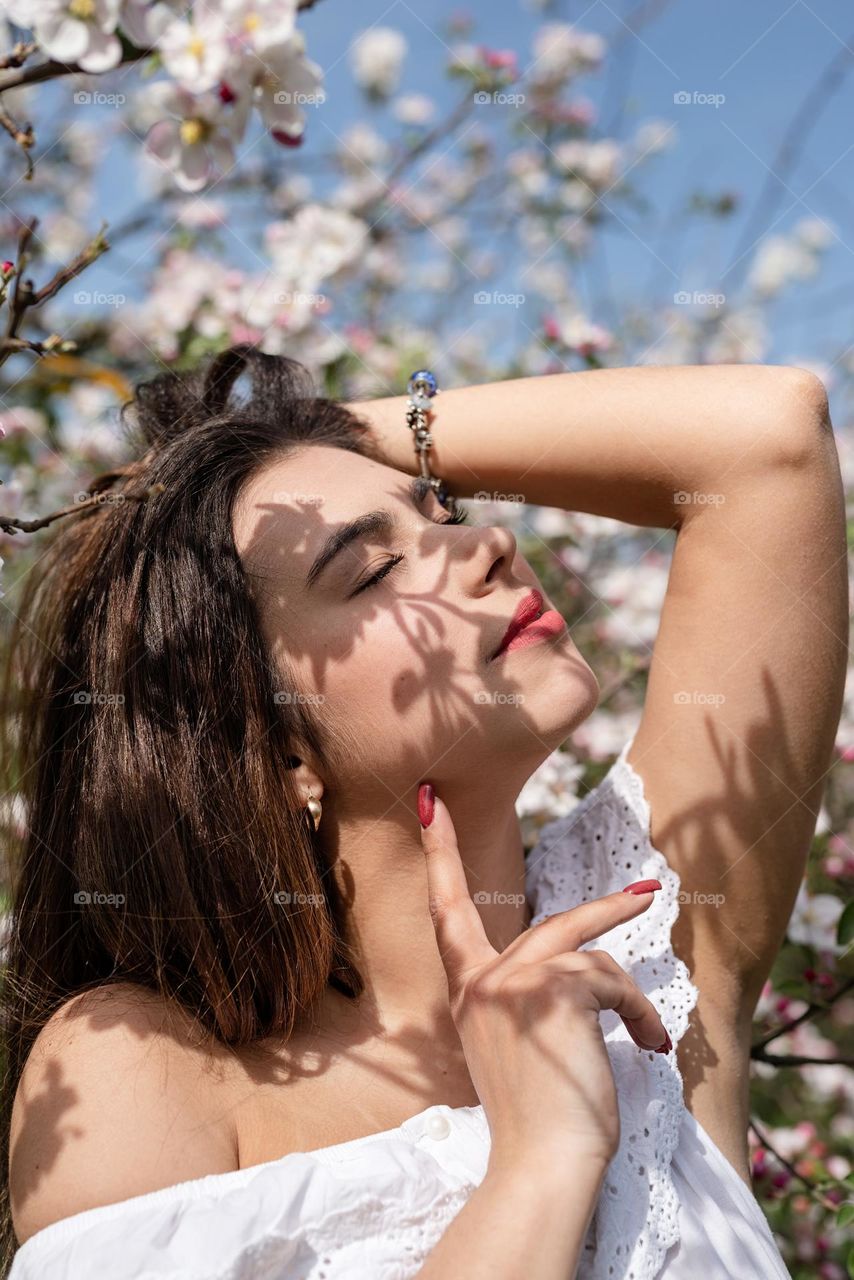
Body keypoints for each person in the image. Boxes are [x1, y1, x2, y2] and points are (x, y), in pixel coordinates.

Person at [1, 346, 845, 1278]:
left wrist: (292, 440)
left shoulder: (644, 939)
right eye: (370, 573)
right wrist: (539, 1161)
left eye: (440, 505)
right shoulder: (143, 1071)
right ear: (277, 749)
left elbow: (767, 433)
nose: (485, 544)